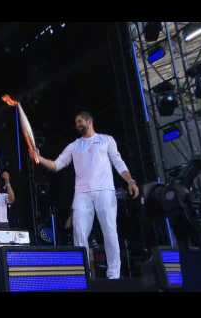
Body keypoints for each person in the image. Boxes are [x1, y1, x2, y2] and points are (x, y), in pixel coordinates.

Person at [35, 111, 139, 279]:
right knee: (79, 233)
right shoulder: (74, 146)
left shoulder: (106, 140)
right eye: (76, 123)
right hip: (82, 193)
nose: (77, 125)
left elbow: (118, 162)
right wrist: (39, 158)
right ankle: (84, 274)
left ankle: (113, 275)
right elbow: (56, 165)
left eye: (80, 121)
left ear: (89, 121)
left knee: (109, 231)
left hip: (105, 191)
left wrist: (130, 181)